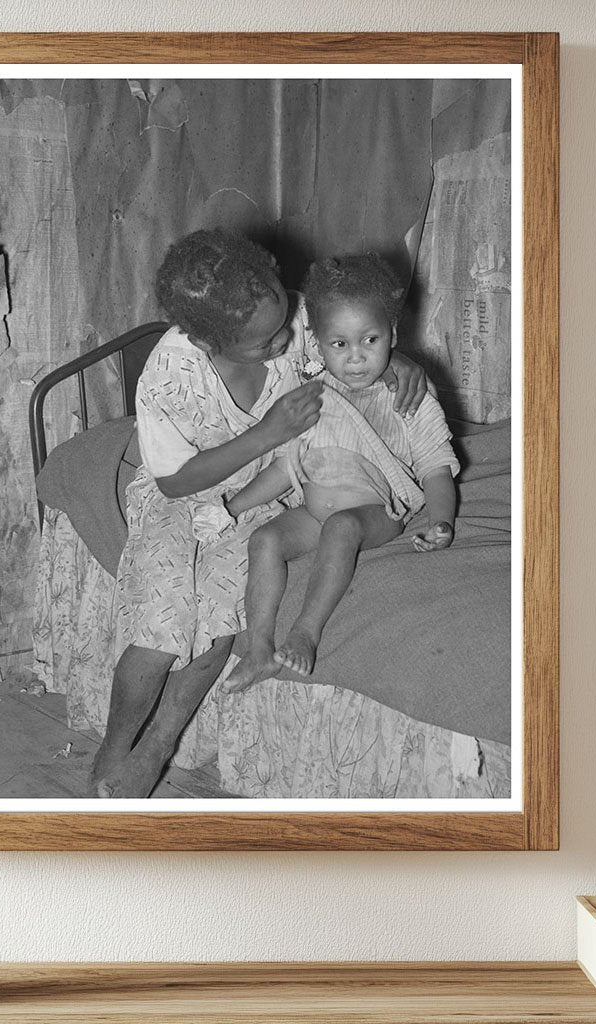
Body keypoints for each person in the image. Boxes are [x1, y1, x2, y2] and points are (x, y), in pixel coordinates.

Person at [92, 231, 428, 798]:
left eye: (283, 328)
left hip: (270, 489)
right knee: (163, 628)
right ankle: (115, 745)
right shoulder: (169, 374)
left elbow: (349, 344)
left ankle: (158, 745)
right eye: (262, 343)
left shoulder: (293, 318)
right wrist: (268, 431)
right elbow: (175, 481)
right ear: (203, 340)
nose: (283, 343)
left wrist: (401, 362)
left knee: (220, 617)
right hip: (179, 494)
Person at [224, 254, 459, 691]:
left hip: (372, 514)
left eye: (370, 340)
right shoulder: (311, 394)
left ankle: (305, 632)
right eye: (340, 344)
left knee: (340, 527)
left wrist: (440, 520)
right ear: (316, 342)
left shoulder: (409, 397)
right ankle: (258, 647)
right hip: (312, 513)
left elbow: (436, 466)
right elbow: (286, 464)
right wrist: (232, 507)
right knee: (265, 539)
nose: (356, 358)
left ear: (392, 334)